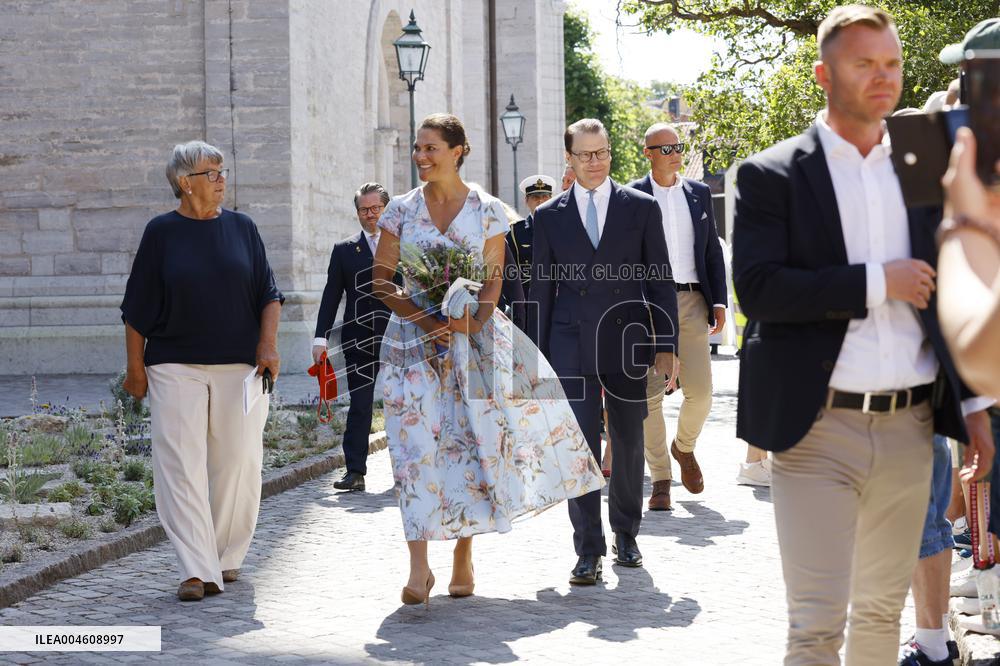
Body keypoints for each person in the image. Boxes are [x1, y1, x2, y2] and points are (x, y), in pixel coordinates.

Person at [732, 6, 993, 664]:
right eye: (864, 63)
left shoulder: (922, 159)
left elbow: (952, 295)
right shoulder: (774, 174)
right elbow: (759, 289)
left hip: (910, 429)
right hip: (815, 429)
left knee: (880, 616)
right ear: (824, 73)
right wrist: (879, 282)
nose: (883, 77)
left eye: (893, 64)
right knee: (818, 626)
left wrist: (973, 409)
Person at [371, 113, 604, 606]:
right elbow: (381, 279)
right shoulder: (399, 211)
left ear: (458, 151)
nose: (421, 156)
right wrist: (425, 319)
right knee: (413, 450)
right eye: (418, 148)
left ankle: (461, 555)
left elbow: (495, 278)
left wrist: (473, 319)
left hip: (475, 343)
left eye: (431, 148)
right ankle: (418, 568)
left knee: (468, 445)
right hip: (412, 344)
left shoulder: (490, 210)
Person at [120, 140, 283, 601]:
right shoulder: (161, 233)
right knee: (180, 466)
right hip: (174, 363)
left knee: (239, 462)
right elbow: (136, 308)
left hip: (239, 365)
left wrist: (267, 344)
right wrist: (135, 369)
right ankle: (197, 569)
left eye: (222, 170)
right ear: (184, 183)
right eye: (212, 172)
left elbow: (268, 294)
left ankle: (225, 554)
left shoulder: (242, 228)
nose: (221, 179)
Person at [529, 117, 678, 585]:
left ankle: (627, 535)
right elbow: (540, 288)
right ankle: (587, 550)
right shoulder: (548, 216)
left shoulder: (641, 207)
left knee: (630, 444)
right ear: (569, 159)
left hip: (627, 341)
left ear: (611, 153)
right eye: (585, 155)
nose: (595, 162)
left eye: (602, 153)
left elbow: (660, 278)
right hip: (569, 345)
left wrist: (666, 345)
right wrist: (536, 357)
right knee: (580, 449)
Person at [629, 123, 728, 510]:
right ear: (648, 153)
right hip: (647, 304)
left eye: (677, 146)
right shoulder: (632, 195)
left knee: (701, 393)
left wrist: (718, 300)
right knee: (650, 397)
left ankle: (683, 447)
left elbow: (712, 253)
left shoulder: (700, 194)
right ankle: (661, 479)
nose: (674, 153)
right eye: (665, 147)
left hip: (691, 301)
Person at [312, 182, 396, 492]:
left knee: (401, 407)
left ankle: (406, 472)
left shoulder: (404, 244)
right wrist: (319, 338)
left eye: (376, 209)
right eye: (364, 210)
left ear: (386, 210)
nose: (371, 215)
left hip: (399, 339)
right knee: (360, 405)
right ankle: (355, 472)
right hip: (358, 339)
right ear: (357, 213)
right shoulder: (345, 250)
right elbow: (331, 295)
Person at [506, 174, 555, 298]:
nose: (540, 201)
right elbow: (509, 272)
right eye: (535, 197)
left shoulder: (563, 228)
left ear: (551, 199)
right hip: (528, 298)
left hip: (558, 298)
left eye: (544, 197)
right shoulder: (515, 231)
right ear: (526, 200)